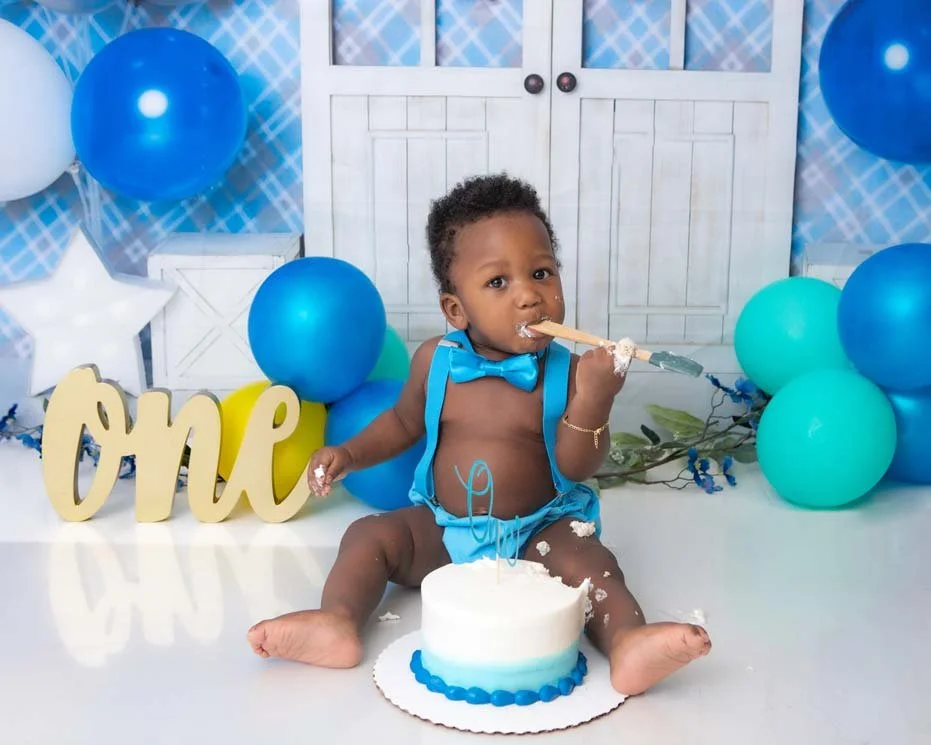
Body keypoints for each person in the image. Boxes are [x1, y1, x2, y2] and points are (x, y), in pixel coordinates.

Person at [247, 173, 711, 695]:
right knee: (367, 537)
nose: (530, 297)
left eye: (542, 273)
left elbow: (579, 465)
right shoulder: (436, 361)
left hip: (541, 532)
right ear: (455, 309)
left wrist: (595, 399)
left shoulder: (574, 373)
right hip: (447, 530)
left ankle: (628, 642)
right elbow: (401, 423)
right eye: (498, 283)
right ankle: (336, 622)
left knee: (594, 567)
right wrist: (348, 453)